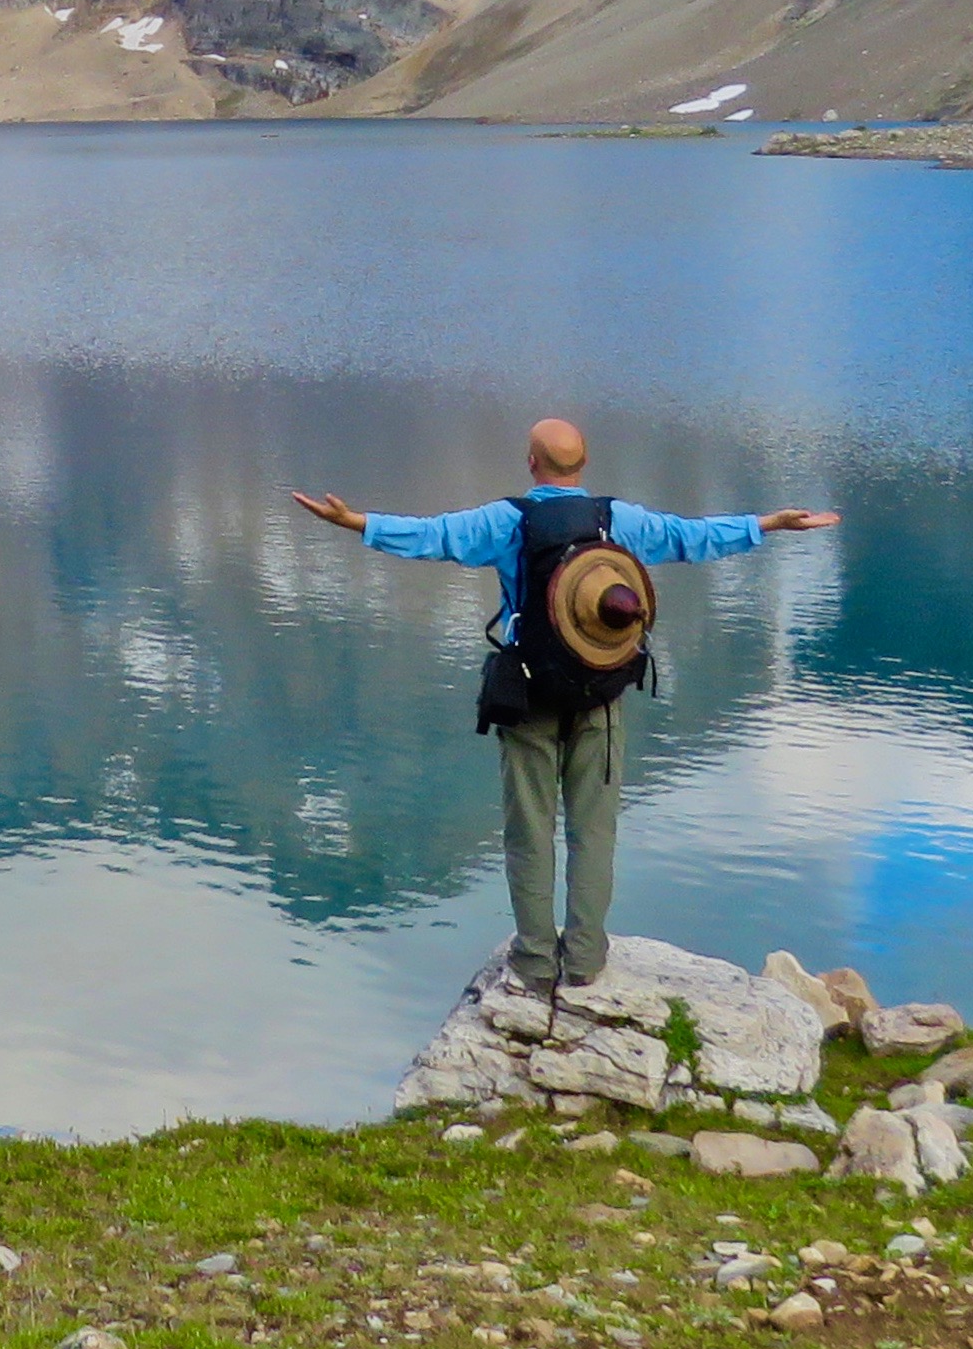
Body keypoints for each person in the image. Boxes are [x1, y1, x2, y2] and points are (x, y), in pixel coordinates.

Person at [289, 420, 840, 988]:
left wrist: (356, 523)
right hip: (599, 694)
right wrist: (769, 524)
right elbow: (689, 536)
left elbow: (436, 536)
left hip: (527, 694)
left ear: (532, 464)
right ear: (583, 466)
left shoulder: (509, 522)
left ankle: (532, 960)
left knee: (530, 830)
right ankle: (584, 960)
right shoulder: (618, 520)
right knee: (593, 830)